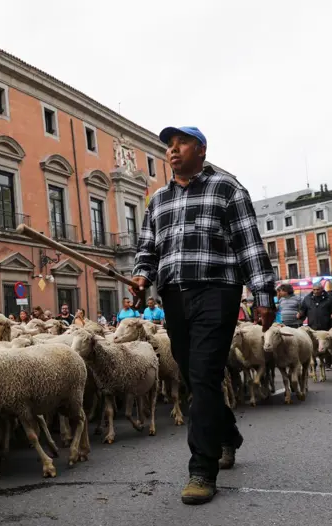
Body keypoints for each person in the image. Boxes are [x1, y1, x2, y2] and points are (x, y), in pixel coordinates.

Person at [130, 125, 275, 505]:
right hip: (174, 294)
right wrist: (142, 274)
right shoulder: (158, 199)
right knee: (196, 377)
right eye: (169, 146)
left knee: (206, 371)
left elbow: (249, 244)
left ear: (201, 149)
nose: (173, 151)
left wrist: (263, 293)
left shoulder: (227, 189)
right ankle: (227, 434)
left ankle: (201, 469)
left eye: (182, 144)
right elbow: (147, 247)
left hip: (217, 289)